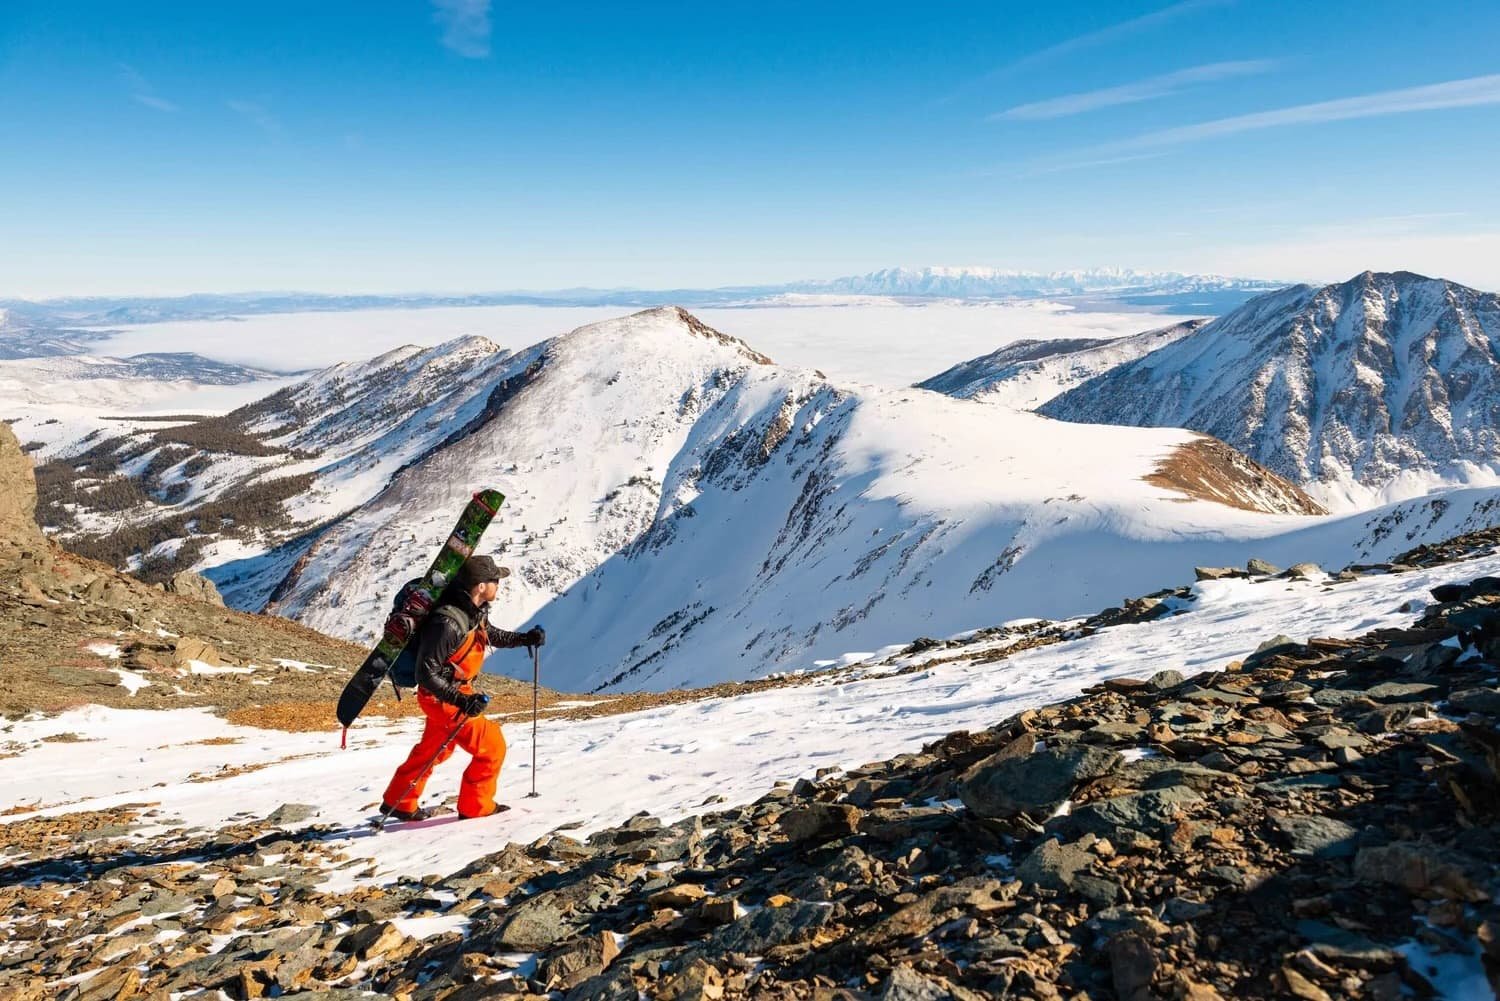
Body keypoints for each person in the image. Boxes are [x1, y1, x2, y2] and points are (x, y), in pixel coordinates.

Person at [380, 554, 544, 821]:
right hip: (444, 698)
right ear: (481, 586)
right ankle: (475, 807)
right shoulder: (448, 623)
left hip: (448, 696)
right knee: (492, 746)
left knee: (433, 750)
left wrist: (524, 639)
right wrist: (461, 700)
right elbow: (426, 672)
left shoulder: (470, 610)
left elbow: (489, 634)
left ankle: (399, 801)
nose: (498, 585)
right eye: (494, 580)